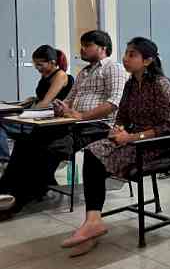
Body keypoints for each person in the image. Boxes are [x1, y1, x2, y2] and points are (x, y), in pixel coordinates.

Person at [59, 37, 170, 255]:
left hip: (155, 144)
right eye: (126, 53)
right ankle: (93, 220)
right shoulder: (131, 83)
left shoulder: (161, 85)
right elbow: (122, 116)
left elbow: (169, 127)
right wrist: (118, 129)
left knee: (97, 158)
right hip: (133, 139)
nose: (125, 58)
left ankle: (92, 222)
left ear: (147, 60)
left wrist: (132, 137)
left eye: (132, 55)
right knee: (92, 152)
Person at [0, 31, 126, 217]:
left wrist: (82, 116)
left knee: (49, 148)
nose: (82, 49)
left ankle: (17, 200)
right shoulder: (84, 72)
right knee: (27, 140)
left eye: (87, 45)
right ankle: (5, 190)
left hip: (97, 125)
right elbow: (69, 99)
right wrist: (62, 106)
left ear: (102, 48)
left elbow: (114, 102)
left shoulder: (112, 68)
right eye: (82, 45)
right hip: (73, 122)